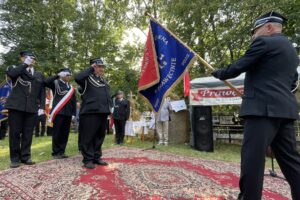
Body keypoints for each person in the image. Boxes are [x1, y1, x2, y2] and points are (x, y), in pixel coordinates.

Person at [212, 11, 300, 199]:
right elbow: (293, 82)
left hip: (261, 112)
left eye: (255, 31)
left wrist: (219, 73)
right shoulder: (292, 51)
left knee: (253, 161)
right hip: (285, 112)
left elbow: (238, 66)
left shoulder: (264, 42)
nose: (254, 36)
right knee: (292, 163)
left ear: (268, 27)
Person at [5, 51, 45, 168]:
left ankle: (26, 156)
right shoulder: (14, 68)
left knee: (28, 133)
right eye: (28, 58)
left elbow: (41, 92)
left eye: (33, 58)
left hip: (31, 108)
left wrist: (41, 107)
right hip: (16, 106)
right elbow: (12, 74)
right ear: (22, 58)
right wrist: (25, 65)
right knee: (15, 133)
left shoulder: (38, 74)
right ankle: (15, 159)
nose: (32, 60)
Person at [75, 58, 112, 169]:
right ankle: (88, 159)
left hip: (103, 112)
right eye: (98, 66)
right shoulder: (86, 79)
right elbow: (77, 77)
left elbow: (107, 96)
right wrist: (91, 68)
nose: (101, 69)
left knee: (99, 136)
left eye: (102, 67)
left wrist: (111, 108)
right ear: (93, 67)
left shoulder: (103, 81)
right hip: (90, 112)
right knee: (88, 137)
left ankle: (97, 156)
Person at [44, 68, 76, 159]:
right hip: (59, 112)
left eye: (69, 75)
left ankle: (62, 151)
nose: (68, 76)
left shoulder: (71, 87)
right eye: (66, 75)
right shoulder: (55, 83)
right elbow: (45, 82)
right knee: (57, 132)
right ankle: (56, 152)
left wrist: (73, 113)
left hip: (68, 113)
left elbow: (73, 101)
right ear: (62, 75)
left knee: (65, 133)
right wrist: (57, 75)